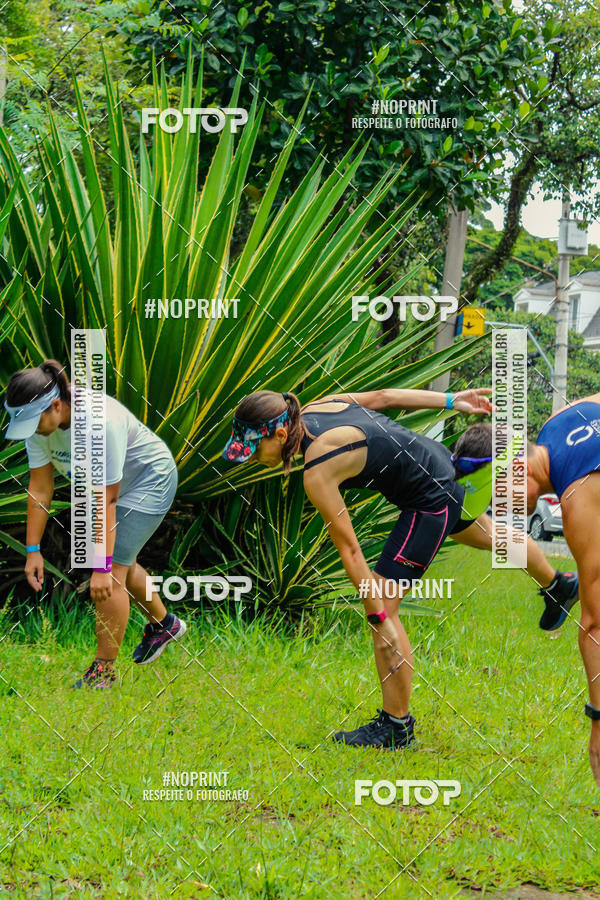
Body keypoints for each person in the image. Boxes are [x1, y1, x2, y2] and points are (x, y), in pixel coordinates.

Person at [222, 387, 577, 750]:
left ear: (280, 435)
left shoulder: (318, 467)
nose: (250, 459)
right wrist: (452, 400)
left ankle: (396, 725)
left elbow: (349, 547)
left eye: (252, 450)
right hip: (440, 465)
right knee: (490, 535)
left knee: (384, 610)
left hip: (429, 498)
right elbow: (384, 396)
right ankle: (559, 584)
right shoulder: (318, 406)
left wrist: (374, 607)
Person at [3, 360, 186, 689]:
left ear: (56, 405)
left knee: (110, 576)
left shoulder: (97, 425)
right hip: (110, 492)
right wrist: (33, 550)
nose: (30, 431)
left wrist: (101, 568)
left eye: (33, 422)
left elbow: (107, 502)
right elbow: (41, 489)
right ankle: (165, 624)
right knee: (122, 563)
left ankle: (103, 673)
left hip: (149, 480)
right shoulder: (40, 425)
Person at [517, 392, 600, 785]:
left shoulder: (576, 500)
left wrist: (598, 724)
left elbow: (596, 623)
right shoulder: (560, 419)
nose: (511, 508)